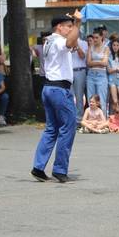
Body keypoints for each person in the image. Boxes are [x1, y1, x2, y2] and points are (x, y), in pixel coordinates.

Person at [31, 10, 82, 183]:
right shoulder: (59, 40)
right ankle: (60, 169)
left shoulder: (49, 41)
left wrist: (74, 27)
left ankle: (38, 166)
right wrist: (78, 22)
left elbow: (70, 43)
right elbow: (68, 43)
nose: (70, 29)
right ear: (59, 27)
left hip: (49, 87)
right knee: (68, 127)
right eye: (68, 26)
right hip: (60, 89)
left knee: (51, 129)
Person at [86, 27, 110, 116]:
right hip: (91, 75)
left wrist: (94, 62)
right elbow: (88, 63)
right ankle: (91, 121)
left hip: (101, 75)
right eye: (93, 37)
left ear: (101, 37)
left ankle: (103, 121)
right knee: (90, 99)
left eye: (96, 37)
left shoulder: (106, 48)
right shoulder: (90, 47)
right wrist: (99, 62)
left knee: (102, 99)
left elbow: (105, 63)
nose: (94, 39)